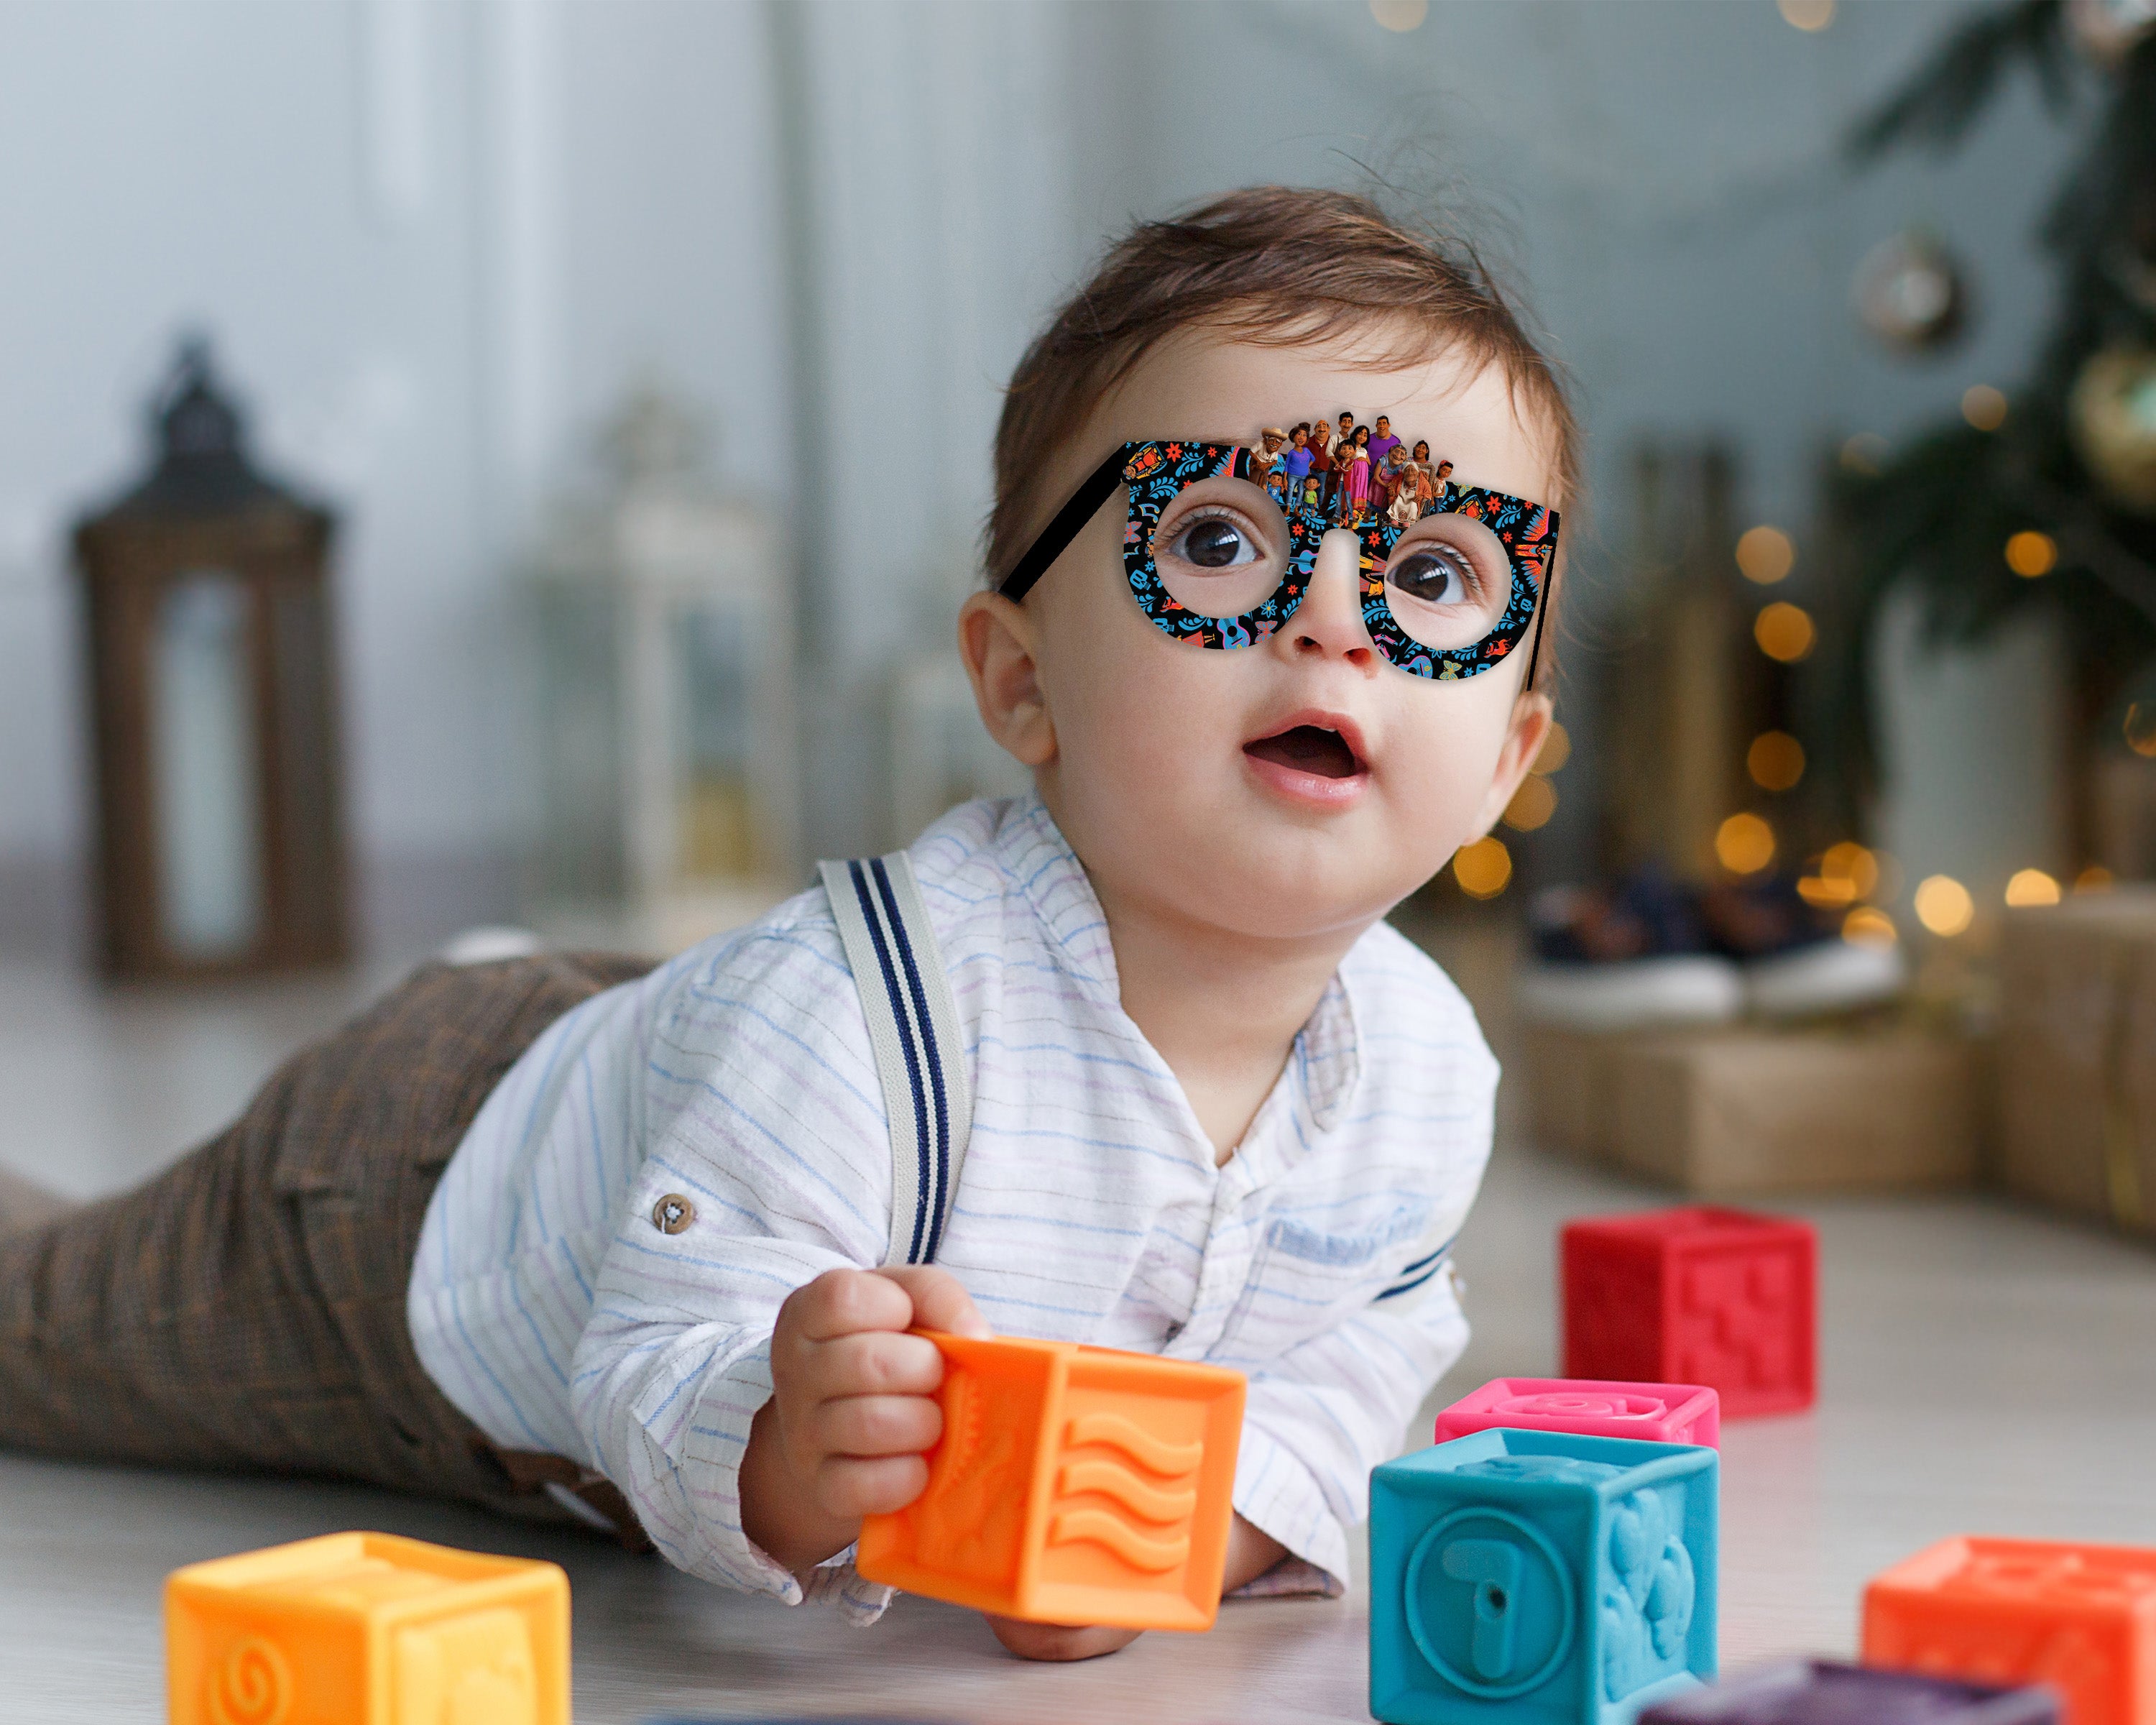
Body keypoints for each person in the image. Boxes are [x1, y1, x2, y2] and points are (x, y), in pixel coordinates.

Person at [0, 185, 1571, 1666]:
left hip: (688, 1079)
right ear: (1022, 683)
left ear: (1505, 759)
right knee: (48, 1322)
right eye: (1219, 544)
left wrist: (1193, 1535)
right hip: (406, 1209)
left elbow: (1357, 1354)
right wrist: (777, 1445)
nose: (1335, 619)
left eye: (1438, 573)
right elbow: (655, 1346)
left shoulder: (1423, 1075)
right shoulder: (871, 1013)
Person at [1340, 423, 1373, 523]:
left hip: (1363, 476)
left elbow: (1369, 462)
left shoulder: (1364, 450)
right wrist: (1357, 460)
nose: (1362, 436)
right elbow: (1347, 459)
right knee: (1351, 491)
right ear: (1355, 434)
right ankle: (1343, 513)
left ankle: (1352, 515)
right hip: (1354, 473)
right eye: (1360, 433)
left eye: (1365, 435)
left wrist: (1363, 459)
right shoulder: (1352, 448)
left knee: (1358, 492)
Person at [1281, 422, 1315, 510]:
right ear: (1293, 436)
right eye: (1299, 434)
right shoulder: (1291, 453)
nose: (1301, 437)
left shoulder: (1307, 450)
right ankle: (1288, 509)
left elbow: (1313, 459)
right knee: (1290, 491)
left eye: (1304, 435)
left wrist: (1307, 467)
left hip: (1304, 477)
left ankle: (1296, 509)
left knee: (1301, 493)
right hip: (1292, 476)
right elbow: (1286, 466)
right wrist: (1284, 479)